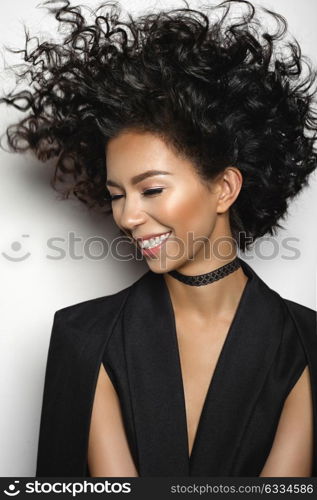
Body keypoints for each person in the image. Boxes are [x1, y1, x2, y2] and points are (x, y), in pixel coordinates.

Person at [1, 0, 317, 477]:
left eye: (151, 189)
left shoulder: (305, 342)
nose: (127, 217)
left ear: (225, 188)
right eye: (116, 195)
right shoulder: (84, 338)